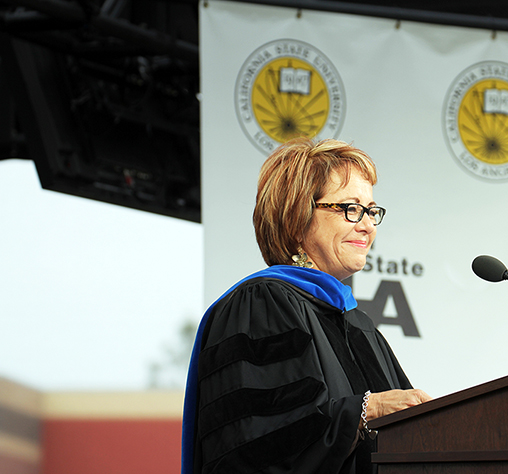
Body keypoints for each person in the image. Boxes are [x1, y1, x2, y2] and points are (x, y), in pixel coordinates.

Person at [181, 137, 431, 474]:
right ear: (297, 219)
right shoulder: (260, 305)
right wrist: (363, 410)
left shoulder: (360, 325)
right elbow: (257, 441)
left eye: (372, 211)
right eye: (351, 209)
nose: (368, 226)